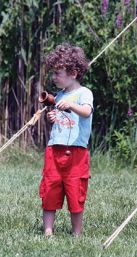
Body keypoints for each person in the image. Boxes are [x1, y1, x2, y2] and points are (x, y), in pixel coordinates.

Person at [39, 43, 93, 236]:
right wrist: (51, 118)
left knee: (75, 192)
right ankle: (47, 231)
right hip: (54, 150)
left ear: (74, 73)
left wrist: (71, 104)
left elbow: (86, 112)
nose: (54, 78)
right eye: (53, 73)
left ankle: (76, 233)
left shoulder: (84, 93)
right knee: (50, 188)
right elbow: (60, 120)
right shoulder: (59, 95)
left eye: (57, 73)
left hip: (76, 153)